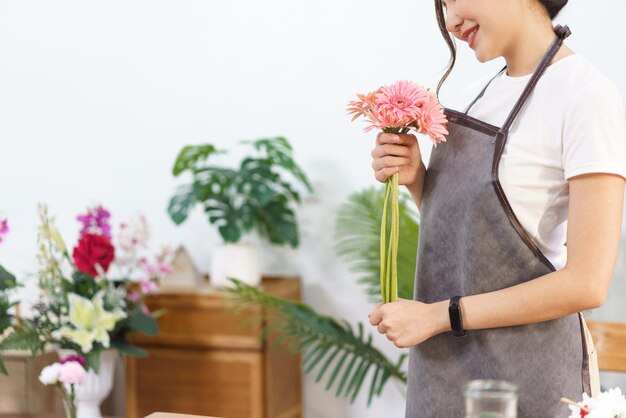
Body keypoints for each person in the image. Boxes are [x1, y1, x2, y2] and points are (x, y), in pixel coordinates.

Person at [366, 1, 626, 417]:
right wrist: (417, 180)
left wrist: (440, 316)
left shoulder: (587, 96)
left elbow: (587, 283)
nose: (449, 22)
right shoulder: (475, 97)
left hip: (528, 381)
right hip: (442, 376)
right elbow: (462, 240)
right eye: (442, 5)